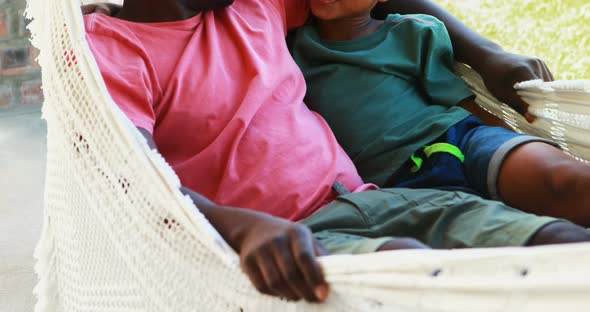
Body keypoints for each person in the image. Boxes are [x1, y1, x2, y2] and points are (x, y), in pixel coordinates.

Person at [80, 0, 590, 303]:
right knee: (412, 274)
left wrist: (485, 54)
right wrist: (246, 228)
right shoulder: (108, 51)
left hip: (381, 199)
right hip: (291, 240)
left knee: (560, 241)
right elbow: (129, 175)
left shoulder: (253, 6)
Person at [291, 0, 590, 227]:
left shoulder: (411, 32)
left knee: (566, 180)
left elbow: (464, 104)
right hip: (393, 185)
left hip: (459, 139)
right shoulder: (289, 49)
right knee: (499, 229)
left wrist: (515, 139)